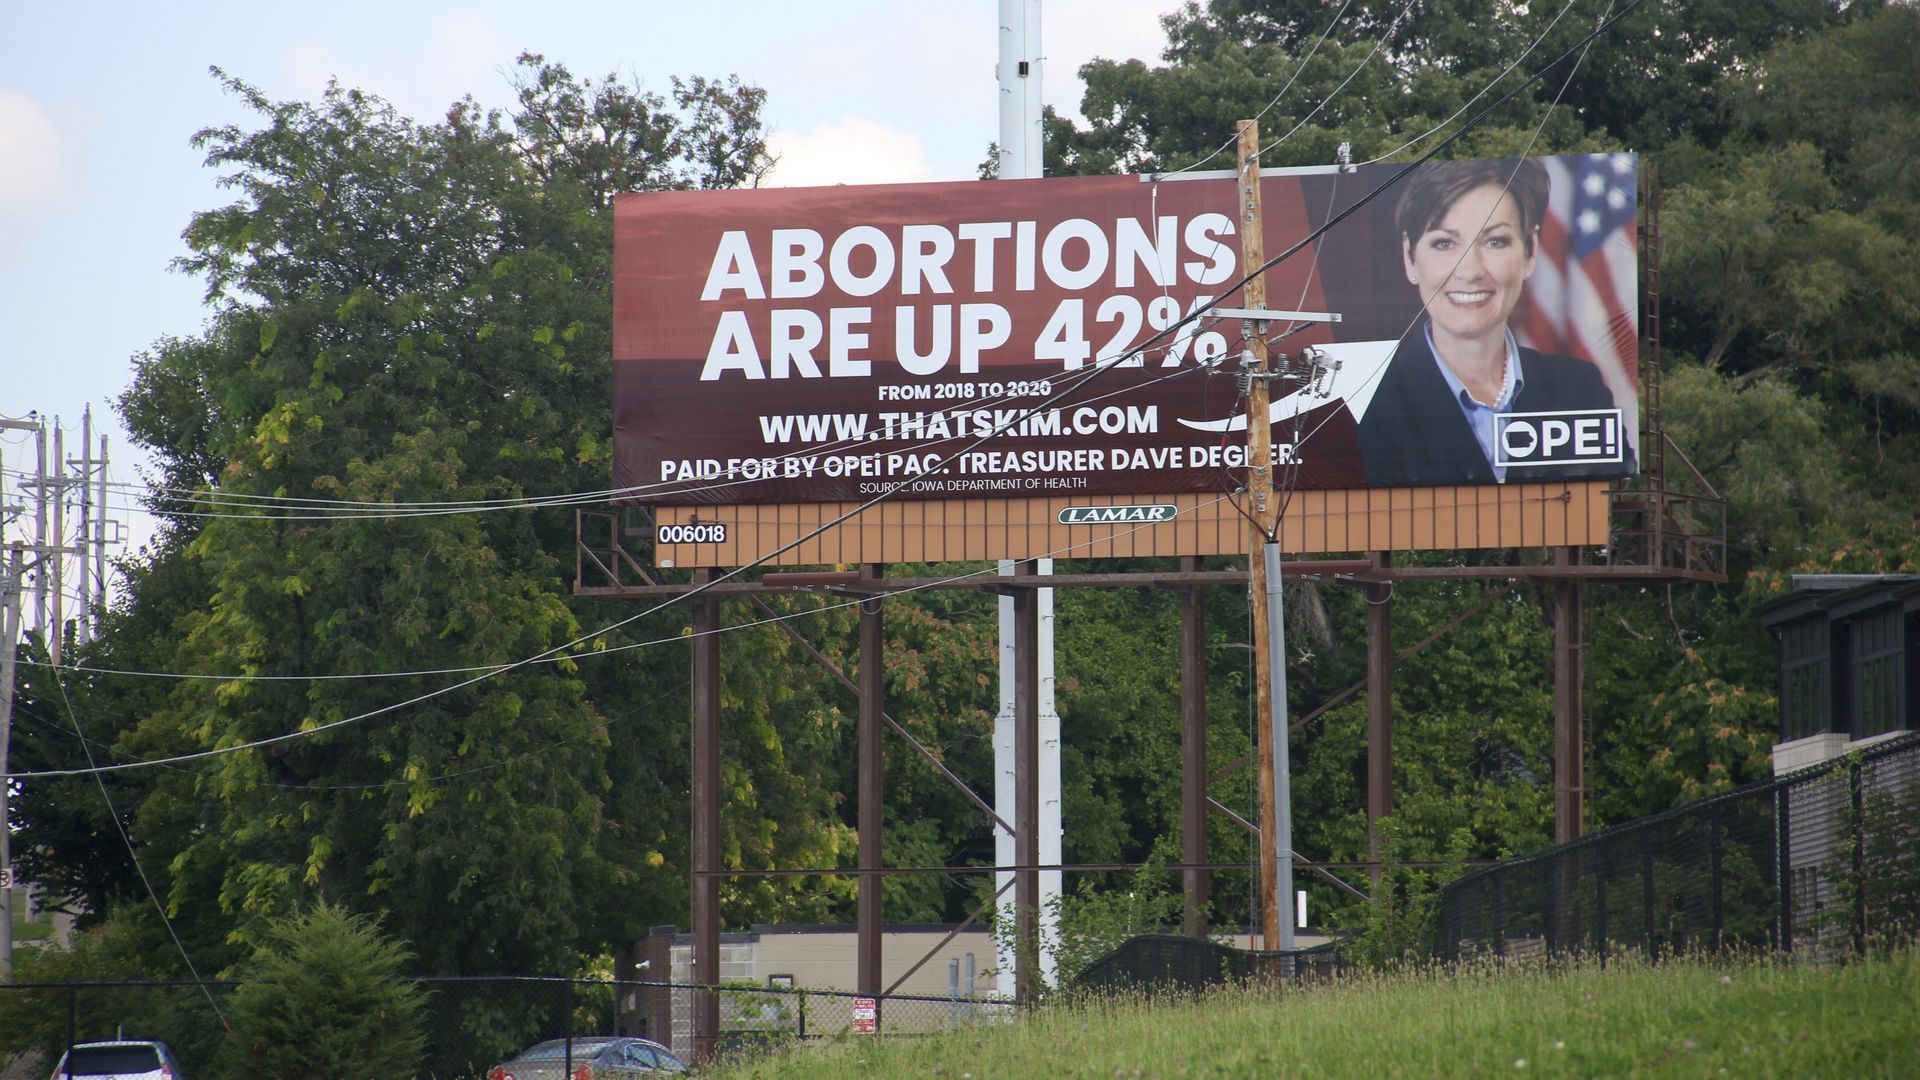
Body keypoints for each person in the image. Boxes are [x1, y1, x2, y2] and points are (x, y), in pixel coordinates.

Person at [1356, 157, 1630, 486]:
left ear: (1530, 252)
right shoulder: (1367, 404)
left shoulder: (1579, 389)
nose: (1470, 271)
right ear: (1409, 257)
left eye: (1495, 241)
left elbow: (1611, 502)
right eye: (1444, 243)